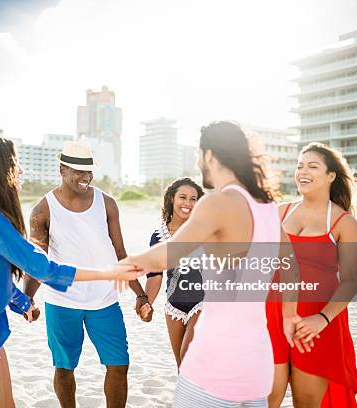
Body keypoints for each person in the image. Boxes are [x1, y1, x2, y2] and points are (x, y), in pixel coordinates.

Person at [0, 137, 143, 408]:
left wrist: (22, 302)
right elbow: (43, 268)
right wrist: (106, 274)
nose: (21, 170)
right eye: (15, 164)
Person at [123, 121, 307, 408]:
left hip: (214, 364)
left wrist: (120, 266)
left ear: (210, 155)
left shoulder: (216, 203)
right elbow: (291, 266)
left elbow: (167, 255)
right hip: (257, 365)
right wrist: (289, 315)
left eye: (199, 154)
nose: (198, 161)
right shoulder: (267, 208)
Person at [23, 141, 152, 408]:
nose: (85, 177)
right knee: (64, 368)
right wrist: (28, 300)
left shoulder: (107, 204)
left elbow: (120, 252)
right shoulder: (42, 210)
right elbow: (38, 262)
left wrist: (140, 295)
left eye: (89, 170)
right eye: (77, 170)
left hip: (104, 300)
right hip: (62, 302)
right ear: (61, 169)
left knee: (119, 364)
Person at [267, 142, 357, 408]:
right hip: (272, 315)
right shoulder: (279, 213)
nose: (302, 171)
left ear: (331, 175)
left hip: (316, 323)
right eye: (299, 166)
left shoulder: (344, 223)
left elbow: (352, 281)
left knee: (307, 401)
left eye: (312, 166)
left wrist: (323, 319)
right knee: (266, 398)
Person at [141, 177, 205, 368]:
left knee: (188, 354)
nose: (188, 203)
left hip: (204, 301)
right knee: (181, 365)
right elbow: (154, 275)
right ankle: (190, 399)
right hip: (173, 305)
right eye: (183, 197)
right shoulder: (159, 236)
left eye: (193, 199)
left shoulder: (205, 230)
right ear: (171, 199)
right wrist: (147, 303)